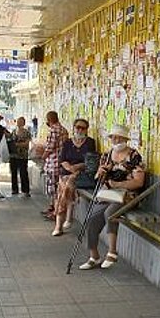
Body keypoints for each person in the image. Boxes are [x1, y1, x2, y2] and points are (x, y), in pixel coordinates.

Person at [79, 124, 145, 270]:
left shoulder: (134, 156)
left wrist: (117, 184)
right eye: (112, 137)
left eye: (118, 137)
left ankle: (112, 252)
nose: (114, 140)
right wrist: (101, 172)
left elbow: (138, 182)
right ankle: (94, 256)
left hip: (127, 195)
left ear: (125, 139)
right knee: (92, 216)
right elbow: (97, 178)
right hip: (108, 193)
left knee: (110, 213)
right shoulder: (107, 155)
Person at [51, 118, 96, 236]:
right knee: (66, 184)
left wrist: (75, 168)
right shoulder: (67, 142)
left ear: (86, 130)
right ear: (73, 128)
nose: (80, 130)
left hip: (82, 173)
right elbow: (62, 159)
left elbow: (89, 161)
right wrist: (69, 168)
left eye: (83, 128)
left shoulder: (90, 142)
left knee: (66, 184)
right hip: (67, 172)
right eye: (78, 127)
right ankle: (67, 216)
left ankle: (59, 225)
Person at [41, 111, 69, 220]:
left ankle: (54, 211)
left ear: (49, 119)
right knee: (57, 187)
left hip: (53, 163)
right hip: (61, 162)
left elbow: (50, 147)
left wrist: (43, 157)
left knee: (53, 189)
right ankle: (53, 208)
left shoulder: (53, 130)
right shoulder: (64, 130)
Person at [9, 117, 32, 197]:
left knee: (23, 173)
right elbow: (10, 141)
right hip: (13, 155)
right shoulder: (13, 132)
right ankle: (14, 189)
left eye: (21, 122)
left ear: (24, 123)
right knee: (13, 173)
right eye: (18, 121)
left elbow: (26, 143)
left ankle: (25, 190)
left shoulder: (26, 132)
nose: (19, 123)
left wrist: (16, 144)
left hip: (23, 156)